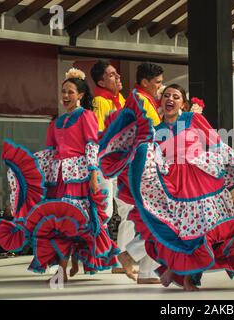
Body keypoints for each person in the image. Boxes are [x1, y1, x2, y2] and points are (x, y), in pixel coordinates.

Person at [100, 84, 234, 291]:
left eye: (176, 96)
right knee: (177, 231)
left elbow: (217, 143)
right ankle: (176, 272)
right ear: (161, 102)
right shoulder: (156, 131)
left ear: (183, 103)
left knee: (204, 230)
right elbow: (150, 157)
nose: (170, 99)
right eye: (166, 95)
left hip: (201, 182)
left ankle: (179, 273)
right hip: (174, 186)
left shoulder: (193, 120)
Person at [0, 68, 119, 281]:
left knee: (77, 222)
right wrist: (28, 169)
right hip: (58, 179)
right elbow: (51, 153)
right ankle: (62, 266)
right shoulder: (55, 123)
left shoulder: (87, 116)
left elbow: (91, 145)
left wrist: (92, 175)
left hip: (79, 178)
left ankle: (70, 263)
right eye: (63, 92)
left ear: (80, 95)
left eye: (70, 92)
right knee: (58, 223)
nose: (65, 96)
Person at [101, 62, 163, 284]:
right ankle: (130, 255)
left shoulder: (138, 99)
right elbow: (158, 132)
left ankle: (145, 270)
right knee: (154, 219)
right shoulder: (141, 101)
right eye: (157, 82)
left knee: (148, 219)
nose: (160, 86)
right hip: (140, 172)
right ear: (145, 82)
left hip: (141, 170)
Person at [90, 60, 134, 274]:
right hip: (105, 163)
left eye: (117, 74)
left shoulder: (121, 100)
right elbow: (100, 134)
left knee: (127, 208)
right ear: (100, 81)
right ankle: (101, 257)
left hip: (121, 162)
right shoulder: (100, 101)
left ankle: (121, 257)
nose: (117, 78)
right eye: (111, 75)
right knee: (106, 210)